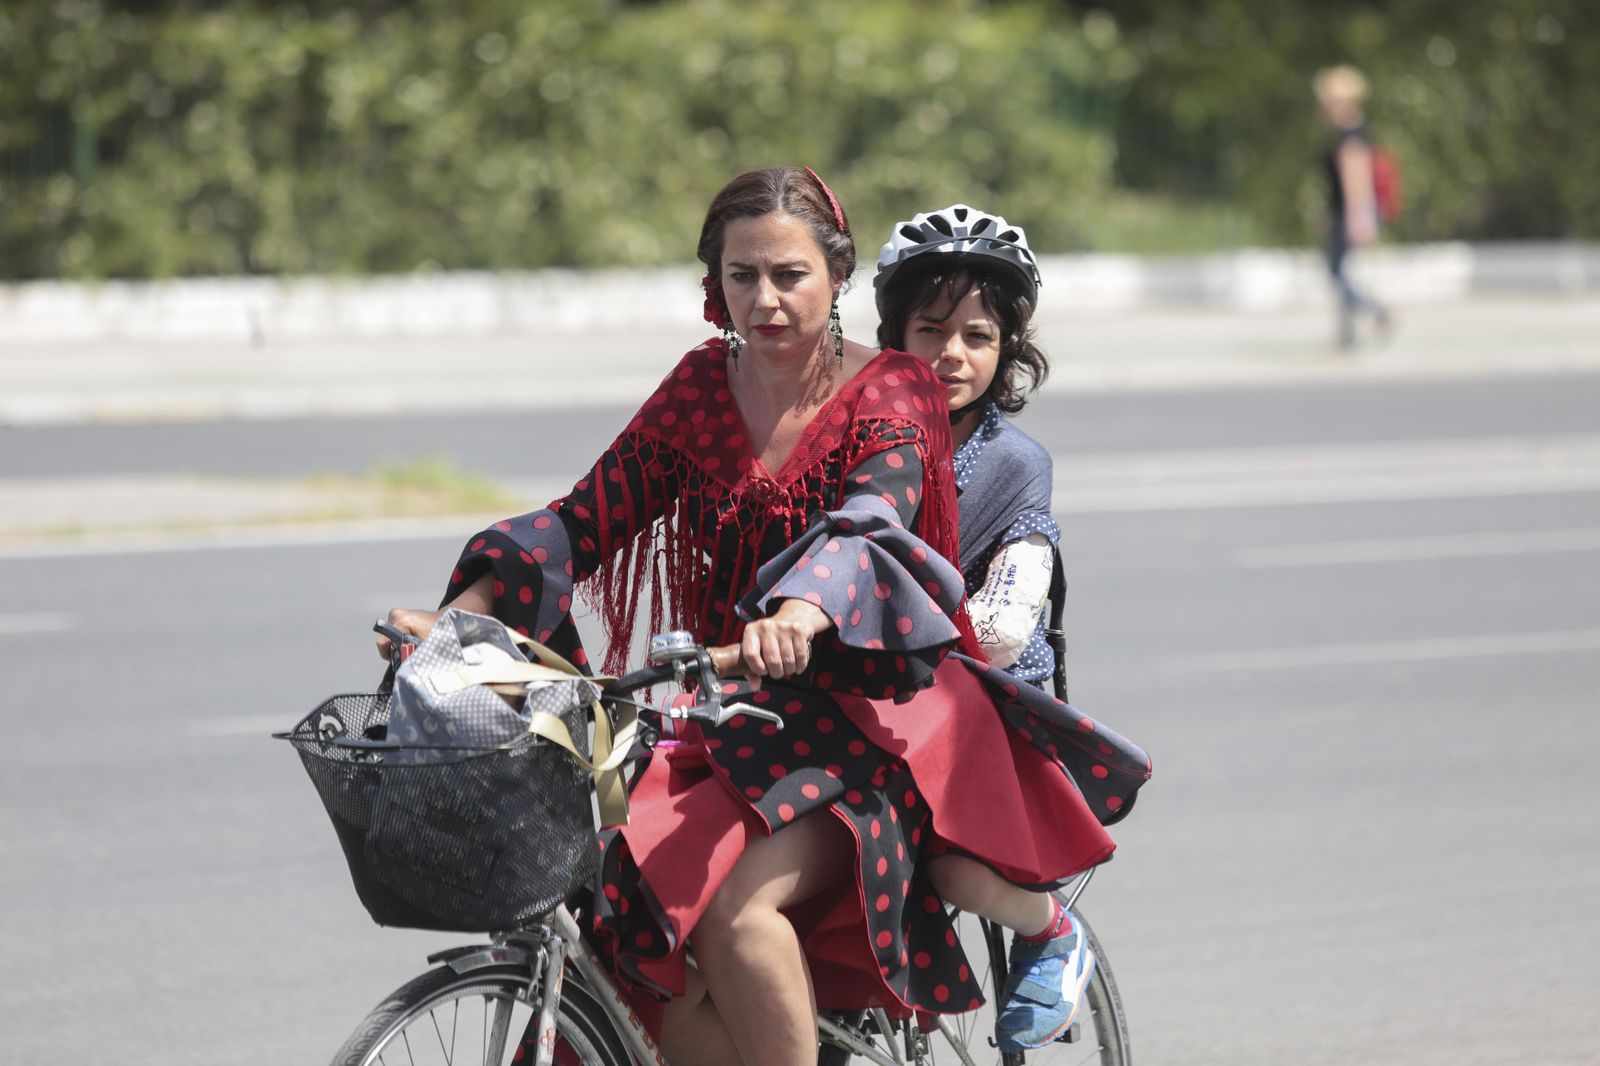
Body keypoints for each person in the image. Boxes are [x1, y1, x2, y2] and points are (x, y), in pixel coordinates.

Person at [382, 166, 1149, 1066]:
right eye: (743, 276)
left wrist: (803, 606)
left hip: (873, 725)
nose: (766, 299)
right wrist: (462, 618)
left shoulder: (895, 389)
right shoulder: (702, 388)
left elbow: (874, 520)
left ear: (836, 279)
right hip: (728, 713)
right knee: (628, 934)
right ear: (716, 283)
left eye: (789, 275)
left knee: (735, 913)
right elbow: (583, 519)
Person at [874, 204, 1092, 1050]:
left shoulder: (1013, 462)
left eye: (977, 335)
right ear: (893, 336)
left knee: (944, 860)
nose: (952, 354)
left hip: (987, 708)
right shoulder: (854, 438)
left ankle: (1048, 933)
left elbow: (1003, 624)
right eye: (930, 330)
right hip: (877, 696)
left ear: (1008, 351)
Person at [1315, 64, 1391, 350]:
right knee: (1341, 271)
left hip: (1348, 214)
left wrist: (1359, 217)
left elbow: (1355, 178)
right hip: (1345, 212)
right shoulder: (1355, 131)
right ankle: (1348, 333)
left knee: (1337, 271)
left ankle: (1371, 311)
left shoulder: (1350, 136)